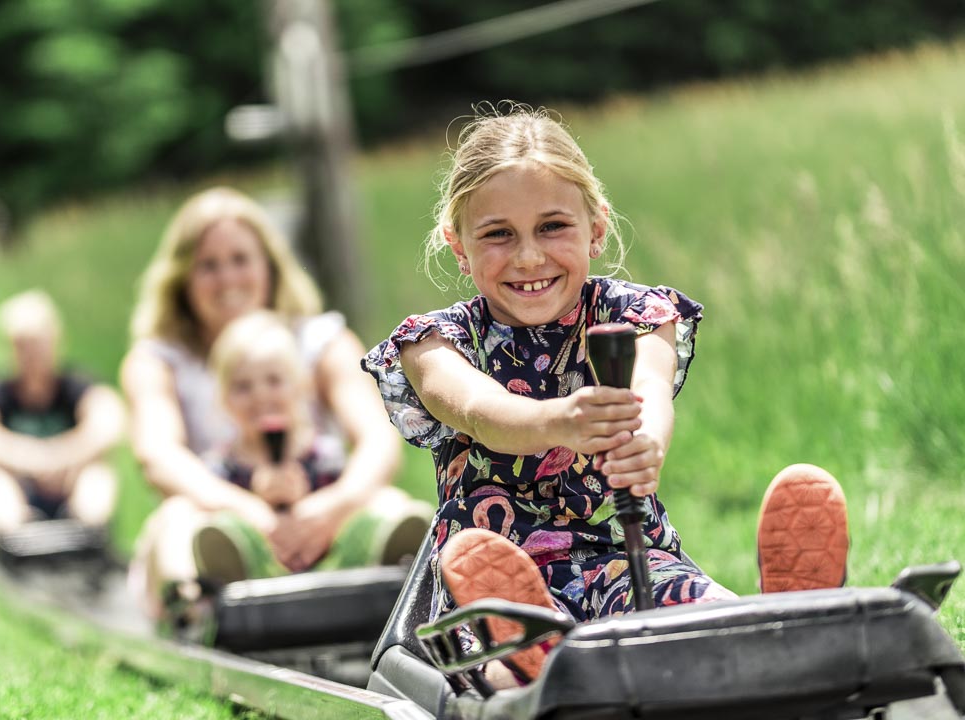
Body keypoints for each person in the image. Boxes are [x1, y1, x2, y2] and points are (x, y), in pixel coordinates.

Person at [362, 105, 849, 685]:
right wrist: (556, 420)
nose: (528, 257)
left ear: (597, 228)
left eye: (553, 226)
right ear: (458, 244)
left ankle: (782, 622)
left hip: (624, 554)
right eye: (497, 235)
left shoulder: (636, 316)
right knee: (502, 672)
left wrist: (645, 442)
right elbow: (475, 409)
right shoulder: (435, 342)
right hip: (490, 571)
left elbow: (650, 385)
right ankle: (538, 663)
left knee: (703, 617)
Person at [121, 186, 410, 620]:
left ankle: (403, 588)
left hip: (317, 504)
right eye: (208, 266)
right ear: (183, 279)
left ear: (269, 266)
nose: (228, 279)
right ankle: (203, 609)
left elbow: (377, 438)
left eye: (240, 260)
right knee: (178, 519)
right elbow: (158, 455)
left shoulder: (322, 341)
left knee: (388, 504)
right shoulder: (159, 359)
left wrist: (332, 506)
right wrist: (248, 511)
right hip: (219, 509)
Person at [191, 310, 431, 585]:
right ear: (223, 399)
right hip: (262, 570)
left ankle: (392, 561)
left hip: (333, 569)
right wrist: (257, 504)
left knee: (387, 500)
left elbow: (347, 499)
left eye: (274, 381)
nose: (260, 396)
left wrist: (311, 503)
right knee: (210, 524)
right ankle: (227, 580)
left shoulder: (324, 455)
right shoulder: (221, 466)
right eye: (243, 387)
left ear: (301, 387)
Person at [0, 289, 124, 535]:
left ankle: (90, 534)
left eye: (39, 343)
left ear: (56, 340)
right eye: (23, 346)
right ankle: (15, 536)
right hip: (20, 486)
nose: (32, 355)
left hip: (68, 483)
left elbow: (110, 421)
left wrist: (61, 456)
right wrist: (29, 457)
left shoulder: (76, 386)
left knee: (97, 473)